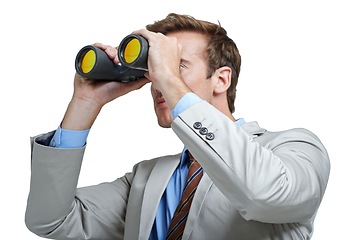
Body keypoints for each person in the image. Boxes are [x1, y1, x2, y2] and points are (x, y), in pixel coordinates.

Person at [25, 13, 330, 240]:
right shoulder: (148, 178)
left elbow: (264, 194)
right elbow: (50, 220)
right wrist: (84, 102)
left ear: (221, 79)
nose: (157, 81)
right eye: (153, 70)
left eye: (178, 65)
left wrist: (169, 79)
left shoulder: (295, 148)